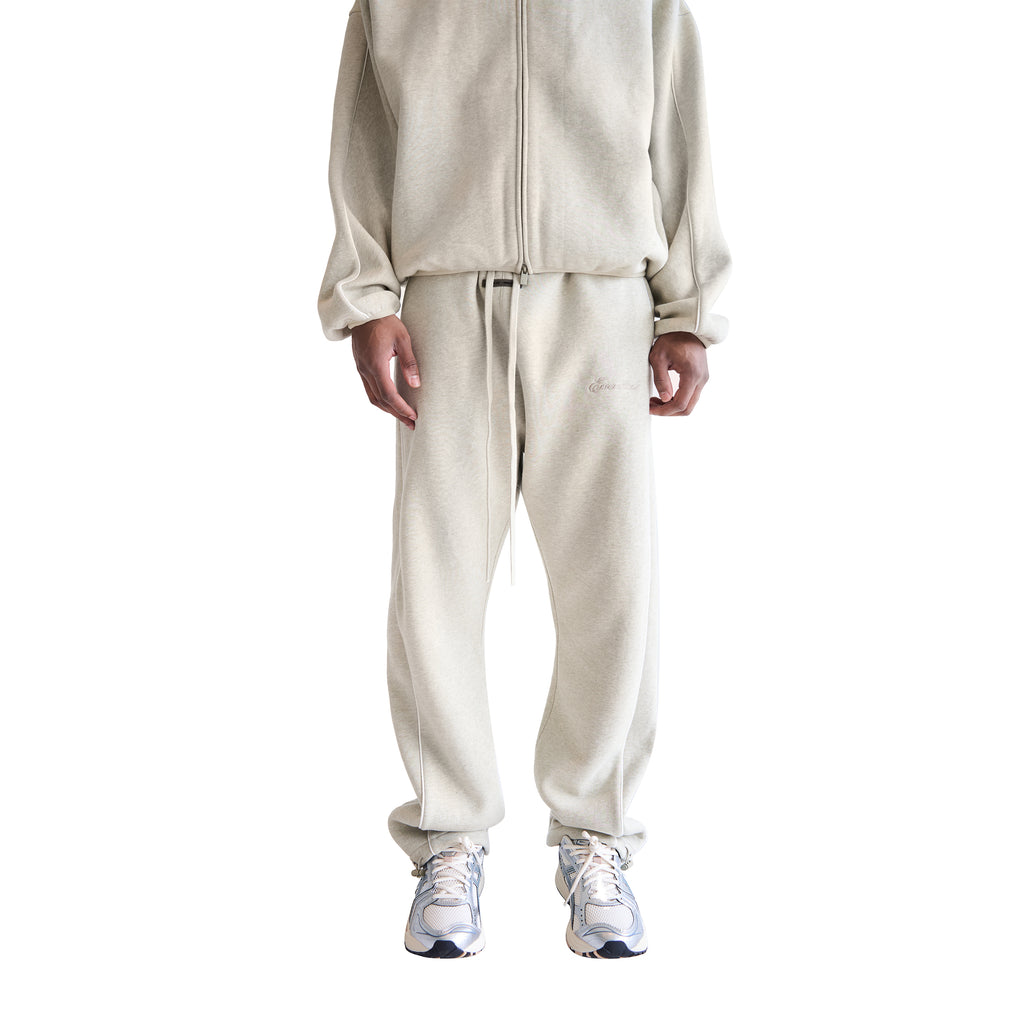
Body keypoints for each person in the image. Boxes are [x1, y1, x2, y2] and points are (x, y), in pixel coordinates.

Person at [317, 0, 731, 959]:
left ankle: (596, 837)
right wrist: (367, 297)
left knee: (613, 588)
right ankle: (449, 838)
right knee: (435, 582)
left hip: (603, 301)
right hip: (442, 305)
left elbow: (680, 125)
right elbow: (362, 138)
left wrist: (689, 310)